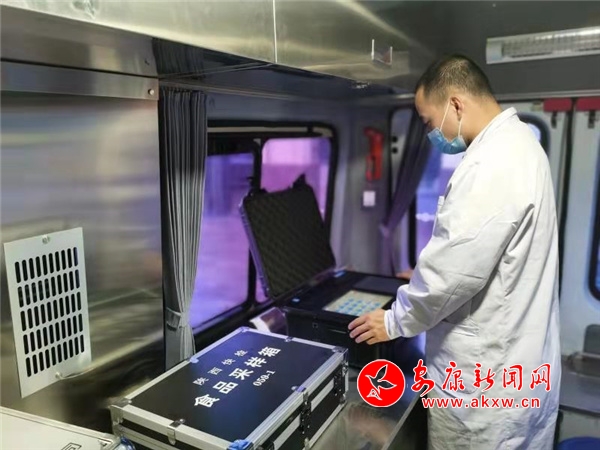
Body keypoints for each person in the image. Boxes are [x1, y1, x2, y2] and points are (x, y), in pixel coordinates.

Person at [348, 54, 561, 449]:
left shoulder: (490, 165)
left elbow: (450, 276)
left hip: (485, 390)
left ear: (456, 105)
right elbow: (479, 256)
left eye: (429, 122)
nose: (431, 132)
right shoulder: (522, 145)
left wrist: (393, 321)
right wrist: (422, 277)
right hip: (517, 367)